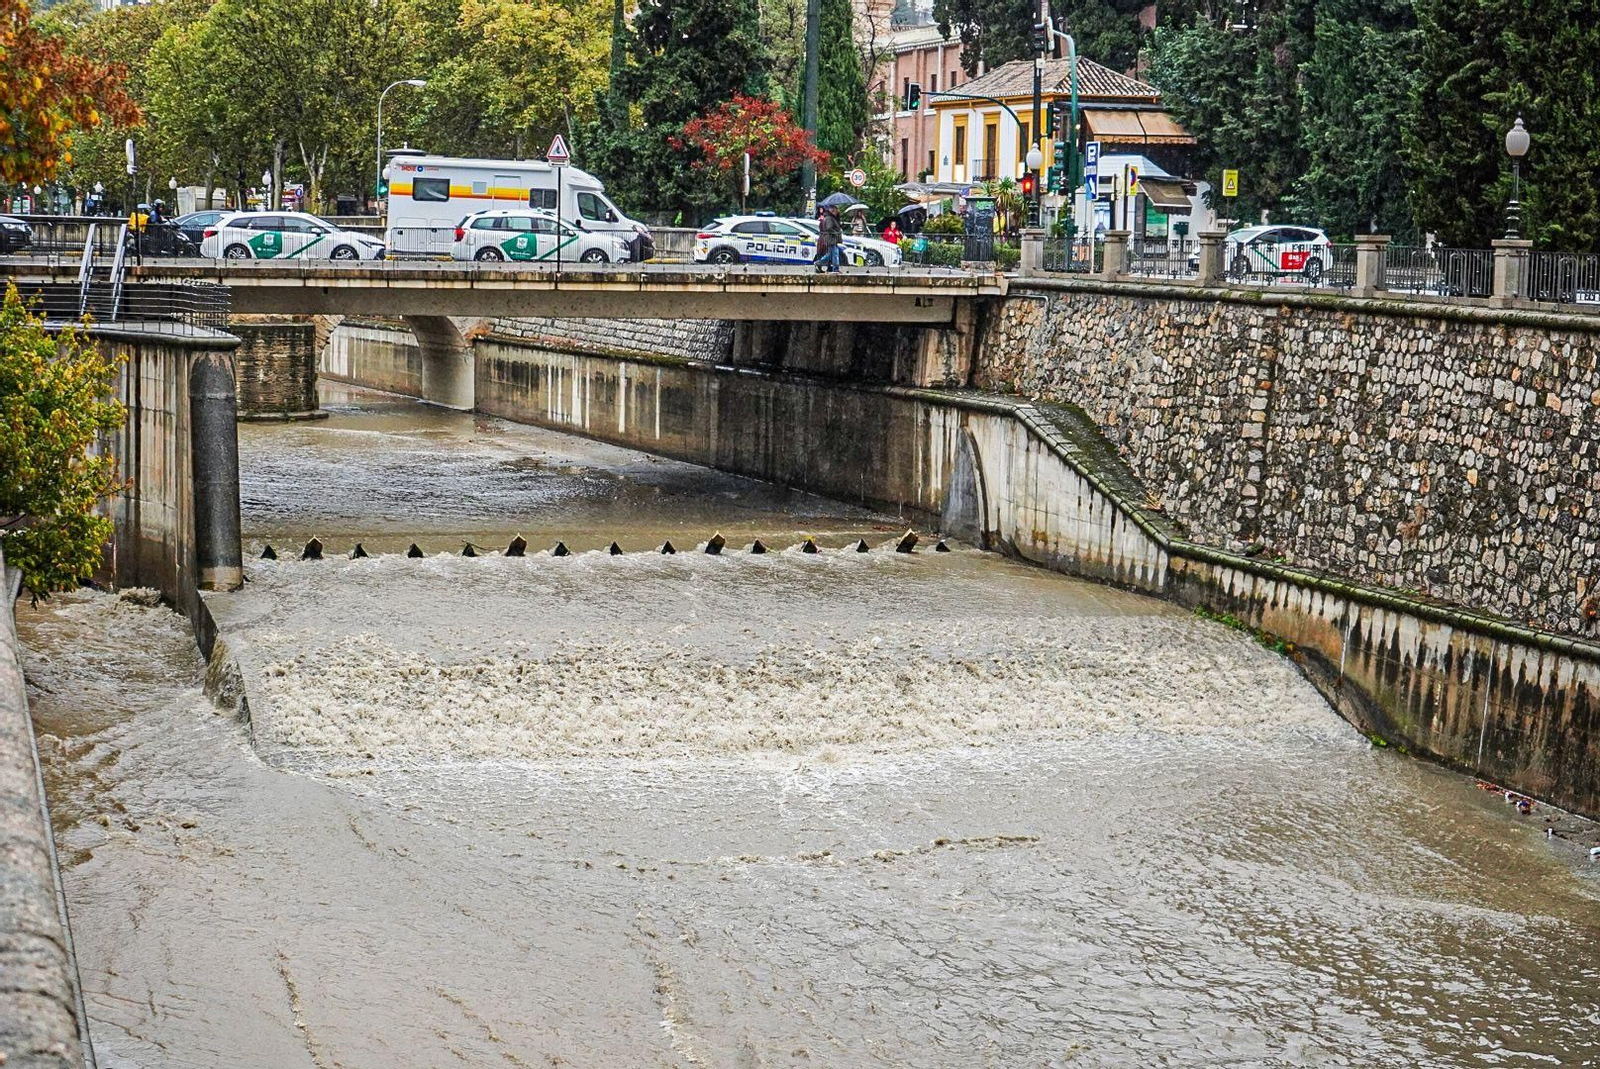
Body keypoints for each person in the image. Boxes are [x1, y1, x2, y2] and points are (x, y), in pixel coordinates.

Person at [816, 206, 843, 273]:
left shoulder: (831, 218)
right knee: (835, 253)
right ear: (832, 211)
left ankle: (818, 263)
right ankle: (835, 268)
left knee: (829, 254)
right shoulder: (829, 218)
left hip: (832, 239)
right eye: (836, 211)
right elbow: (829, 228)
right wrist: (836, 233)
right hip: (831, 239)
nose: (837, 212)